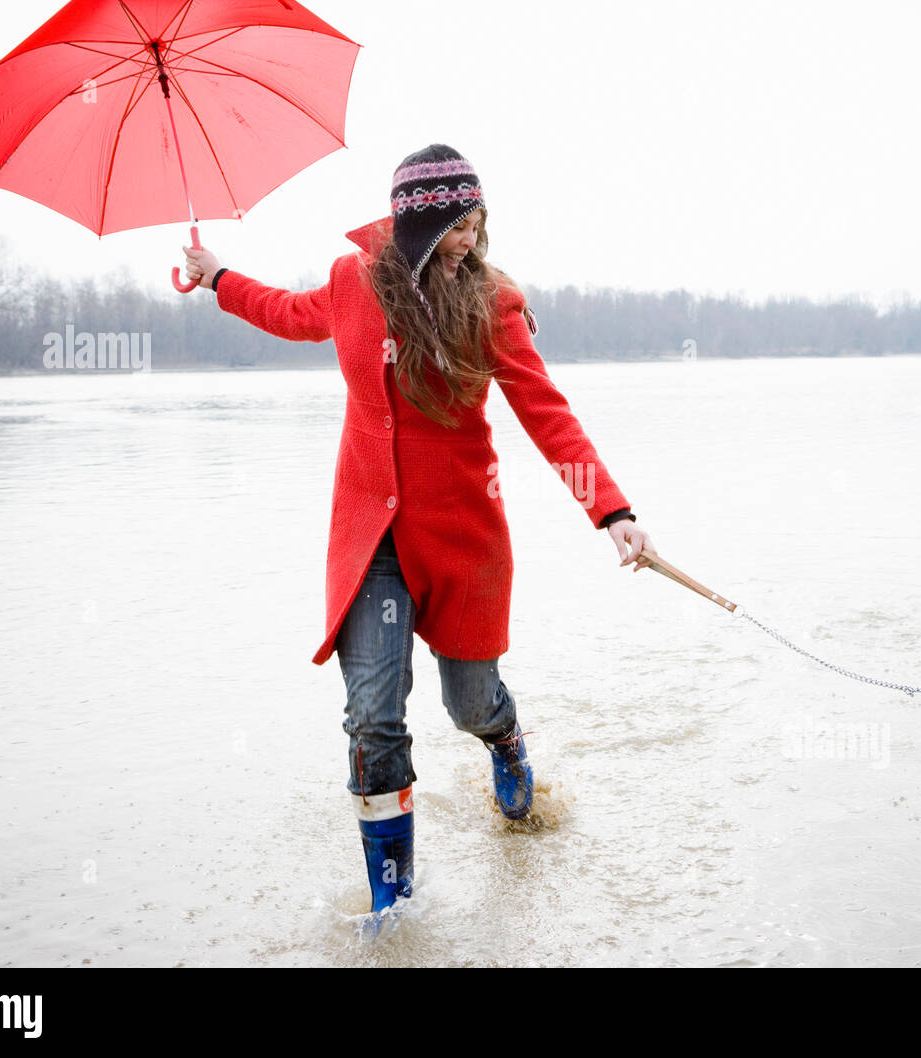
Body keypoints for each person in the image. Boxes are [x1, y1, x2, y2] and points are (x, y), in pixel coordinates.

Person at [182, 143, 653, 915]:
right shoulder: (351, 284)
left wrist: (612, 511)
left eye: (476, 222)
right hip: (372, 541)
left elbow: (546, 416)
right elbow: (286, 313)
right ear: (415, 222)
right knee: (373, 714)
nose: (469, 239)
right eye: (455, 224)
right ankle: (392, 908)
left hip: (463, 540)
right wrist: (218, 278)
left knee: (468, 704)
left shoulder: (492, 304)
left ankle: (503, 738)